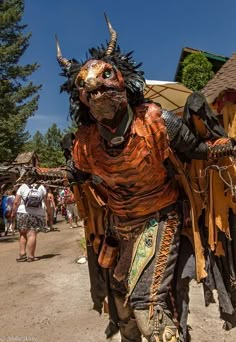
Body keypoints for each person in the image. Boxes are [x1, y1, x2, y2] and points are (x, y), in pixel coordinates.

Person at [56, 16, 236, 341]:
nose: (97, 89)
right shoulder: (85, 143)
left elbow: (196, 149)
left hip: (160, 219)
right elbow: (74, 175)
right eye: (87, 86)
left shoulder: (155, 120)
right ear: (81, 97)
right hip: (119, 227)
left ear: (122, 80)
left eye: (105, 77)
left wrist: (225, 147)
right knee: (124, 306)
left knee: (146, 303)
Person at [173, 91, 236, 340]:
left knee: (230, 267)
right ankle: (180, 328)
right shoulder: (182, 152)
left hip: (224, 222)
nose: (197, 122)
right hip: (193, 225)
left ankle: (230, 313)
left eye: (200, 116)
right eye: (193, 117)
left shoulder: (222, 144)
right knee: (183, 276)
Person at [11, 182, 47, 262]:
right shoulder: (42, 187)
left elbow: (16, 202)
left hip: (23, 212)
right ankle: (31, 256)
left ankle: (22, 254)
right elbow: (45, 201)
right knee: (32, 234)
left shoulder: (23, 186)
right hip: (37, 213)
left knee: (23, 233)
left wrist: (13, 212)